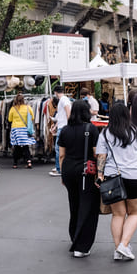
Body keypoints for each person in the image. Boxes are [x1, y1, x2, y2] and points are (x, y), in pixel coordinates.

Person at [96, 102, 137, 260]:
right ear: (128, 115)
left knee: (118, 215)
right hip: (135, 177)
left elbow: (101, 157)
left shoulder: (105, 133)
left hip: (113, 177)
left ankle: (117, 249)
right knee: (134, 213)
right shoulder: (135, 132)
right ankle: (123, 245)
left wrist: (100, 175)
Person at [58, 100, 100, 257]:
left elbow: (61, 154)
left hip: (68, 170)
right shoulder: (92, 129)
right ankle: (81, 246)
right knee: (88, 207)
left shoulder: (64, 130)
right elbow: (96, 153)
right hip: (85, 171)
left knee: (74, 204)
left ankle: (74, 236)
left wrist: (62, 173)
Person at [8, 93, 35, 169]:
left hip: (16, 129)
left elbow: (9, 119)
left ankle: (15, 163)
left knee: (16, 146)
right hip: (24, 129)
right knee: (26, 146)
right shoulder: (28, 107)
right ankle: (29, 161)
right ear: (23, 100)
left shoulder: (13, 108)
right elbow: (32, 117)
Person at [49, 85, 72, 177]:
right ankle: (60, 167)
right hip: (62, 127)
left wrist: (69, 124)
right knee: (61, 149)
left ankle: (60, 169)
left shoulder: (63, 100)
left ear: (55, 92)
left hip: (64, 128)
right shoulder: (63, 100)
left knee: (59, 149)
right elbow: (62, 116)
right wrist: (55, 126)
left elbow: (68, 112)